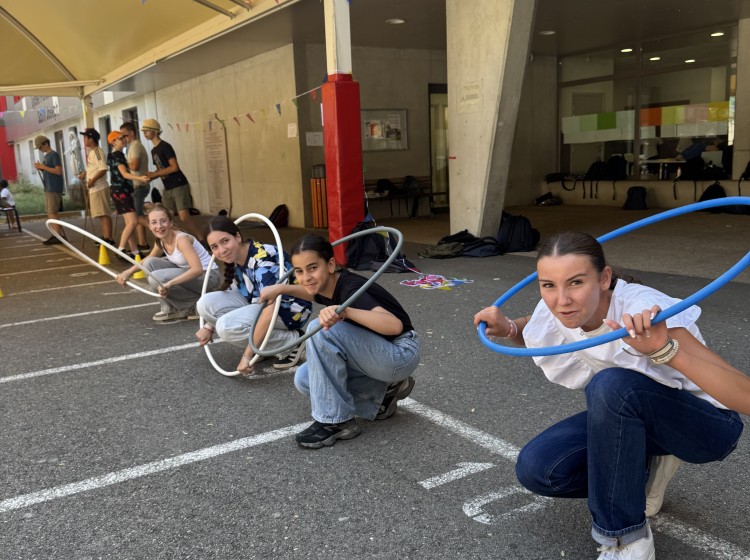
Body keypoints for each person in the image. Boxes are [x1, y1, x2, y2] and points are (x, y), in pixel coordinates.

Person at [473, 231, 743, 560]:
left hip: (708, 427)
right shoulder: (558, 307)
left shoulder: (644, 310)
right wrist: (510, 328)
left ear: (604, 278)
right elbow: (540, 323)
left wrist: (663, 349)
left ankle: (627, 539)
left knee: (610, 385)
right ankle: (639, 474)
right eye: (549, 285)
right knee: (539, 469)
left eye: (575, 282)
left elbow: (742, 393)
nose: (561, 300)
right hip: (635, 412)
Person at [259, 233, 421, 449]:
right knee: (305, 378)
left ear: (330, 264)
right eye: (299, 271)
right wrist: (281, 288)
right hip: (377, 355)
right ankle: (384, 393)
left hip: (400, 352)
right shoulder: (328, 285)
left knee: (319, 328)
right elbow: (312, 293)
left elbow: (394, 326)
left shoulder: (350, 287)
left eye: (312, 268)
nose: (306, 277)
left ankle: (336, 422)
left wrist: (346, 312)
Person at [195, 216, 312, 373]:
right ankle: (264, 344)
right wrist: (209, 327)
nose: (221, 250)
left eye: (225, 241)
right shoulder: (236, 258)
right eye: (214, 247)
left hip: (289, 309)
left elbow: (269, 311)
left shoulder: (263, 260)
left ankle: (292, 342)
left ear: (237, 236)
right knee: (205, 304)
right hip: (258, 302)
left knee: (226, 327)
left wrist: (248, 355)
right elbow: (238, 292)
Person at [116, 203, 220, 322]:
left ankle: (191, 306)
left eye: (163, 221)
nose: (159, 226)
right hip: (191, 274)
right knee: (149, 263)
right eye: (154, 222)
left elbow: (197, 270)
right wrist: (127, 272)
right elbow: (147, 259)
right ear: (149, 226)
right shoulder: (161, 240)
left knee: (157, 277)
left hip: (209, 277)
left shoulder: (182, 240)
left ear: (170, 223)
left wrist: (170, 283)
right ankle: (169, 309)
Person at [140, 119, 203, 241]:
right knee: (166, 216)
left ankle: (201, 239)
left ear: (155, 131)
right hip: (168, 187)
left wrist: (155, 174)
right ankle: (174, 240)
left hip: (178, 184)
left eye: (146, 131)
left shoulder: (165, 146)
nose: (144, 133)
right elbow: (161, 169)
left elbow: (174, 167)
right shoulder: (153, 151)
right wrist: (152, 176)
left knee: (184, 217)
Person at [106, 131, 149, 259]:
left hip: (118, 191)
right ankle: (121, 249)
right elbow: (124, 174)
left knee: (129, 223)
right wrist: (140, 178)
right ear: (113, 142)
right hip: (121, 191)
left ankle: (135, 251)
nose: (124, 140)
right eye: (120, 138)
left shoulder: (114, 155)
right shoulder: (117, 156)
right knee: (133, 222)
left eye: (124, 137)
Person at [78, 128, 114, 246]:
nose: (84, 140)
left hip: (99, 187)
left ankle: (108, 238)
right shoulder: (92, 152)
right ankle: (105, 236)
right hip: (94, 188)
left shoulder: (98, 152)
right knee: (100, 214)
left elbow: (103, 168)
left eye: (85, 137)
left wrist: (92, 180)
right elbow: (95, 168)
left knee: (104, 213)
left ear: (91, 139)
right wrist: (85, 174)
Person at [120, 122, 151, 254]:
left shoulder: (135, 146)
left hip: (139, 185)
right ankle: (142, 243)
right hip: (137, 186)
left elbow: (135, 166)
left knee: (137, 217)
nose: (122, 139)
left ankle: (161, 230)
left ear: (131, 133)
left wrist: (121, 165)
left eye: (124, 135)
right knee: (138, 215)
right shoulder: (132, 146)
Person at [33, 135, 67, 245]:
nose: (40, 149)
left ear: (46, 144)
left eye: (40, 147)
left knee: (52, 212)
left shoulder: (54, 155)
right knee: (51, 212)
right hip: (49, 186)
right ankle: (58, 234)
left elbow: (58, 171)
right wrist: (41, 168)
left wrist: (43, 167)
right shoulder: (47, 156)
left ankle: (57, 235)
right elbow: (50, 170)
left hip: (53, 187)